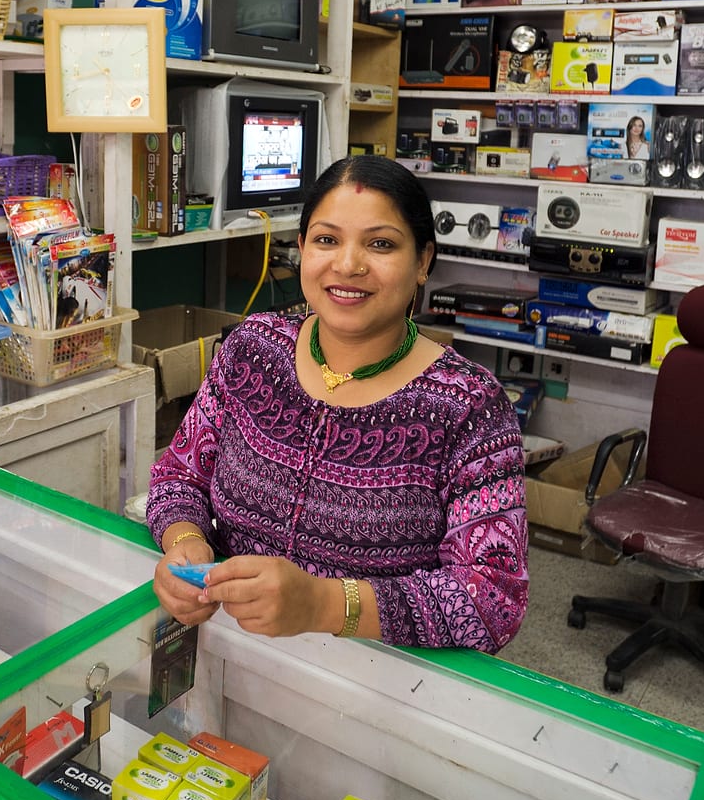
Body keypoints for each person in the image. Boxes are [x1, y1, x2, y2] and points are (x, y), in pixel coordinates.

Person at [147, 156, 528, 652]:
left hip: (380, 691)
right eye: (327, 240)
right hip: (231, 651)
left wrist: (323, 605)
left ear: (423, 262)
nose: (348, 265)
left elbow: (492, 600)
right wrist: (184, 542)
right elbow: (179, 474)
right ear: (302, 249)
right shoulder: (253, 349)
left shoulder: (467, 406)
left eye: (381, 244)